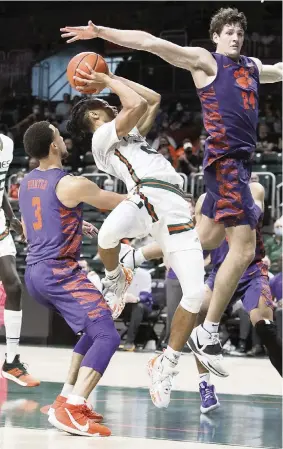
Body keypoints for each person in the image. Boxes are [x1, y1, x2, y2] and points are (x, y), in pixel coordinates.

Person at [60, 7, 282, 368]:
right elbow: (150, 42)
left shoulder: (252, 66)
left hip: (235, 163)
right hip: (226, 161)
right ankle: (207, 333)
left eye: (239, 32)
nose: (235, 37)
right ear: (215, 37)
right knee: (243, 250)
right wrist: (101, 31)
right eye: (228, 32)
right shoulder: (205, 62)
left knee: (207, 237)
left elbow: (278, 72)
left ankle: (135, 255)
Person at [66, 67, 205, 408]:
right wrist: (109, 78)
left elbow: (151, 99)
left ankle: (166, 362)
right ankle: (115, 277)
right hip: (145, 197)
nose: (113, 103)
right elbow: (132, 106)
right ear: (96, 114)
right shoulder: (103, 138)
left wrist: (110, 78)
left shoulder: (131, 137)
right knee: (108, 236)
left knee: (196, 295)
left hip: (174, 207)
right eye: (106, 103)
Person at [124, 182, 282, 411]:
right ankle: (204, 385)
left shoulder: (254, 189)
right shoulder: (205, 201)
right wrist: (147, 254)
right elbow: (196, 239)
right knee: (196, 310)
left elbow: (252, 215)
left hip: (253, 270)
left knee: (266, 329)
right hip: (221, 272)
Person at [19, 121, 131, 436]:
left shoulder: (26, 182)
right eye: (60, 135)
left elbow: (30, 228)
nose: (64, 138)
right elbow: (119, 203)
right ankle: (73, 408)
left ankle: (67, 397)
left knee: (96, 328)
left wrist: (73, 224)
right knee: (108, 335)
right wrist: (156, 196)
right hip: (59, 272)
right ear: (54, 145)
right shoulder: (71, 183)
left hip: (35, 272)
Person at [0, 132, 39, 387]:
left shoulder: (8, 144)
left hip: (0, 227)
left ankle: (11, 360)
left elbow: (1, 186)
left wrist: (11, 216)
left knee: (13, 287)